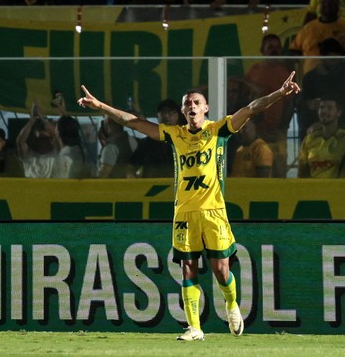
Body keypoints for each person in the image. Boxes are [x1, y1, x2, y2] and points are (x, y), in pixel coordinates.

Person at [77, 71, 300, 341]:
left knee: (221, 270)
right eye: (187, 104)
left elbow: (252, 108)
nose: (192, 106)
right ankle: (194, 327)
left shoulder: (220, 130)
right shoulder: (174, 135)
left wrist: (279, 93)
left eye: (196, 103)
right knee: (187, 268)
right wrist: (100, 106)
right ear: (183, 111)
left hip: (213, 211)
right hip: (184, 212)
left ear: (206, 108)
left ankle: (231, 304)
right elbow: (135, 123)